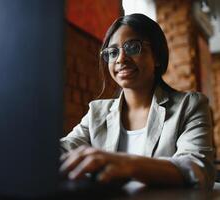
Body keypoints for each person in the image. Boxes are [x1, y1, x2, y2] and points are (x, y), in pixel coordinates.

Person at [59, 13, 215, 189]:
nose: (120, 59)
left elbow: (198, 169)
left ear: (156, 56)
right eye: (112, 52)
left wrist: (127, 164)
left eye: (133, 47)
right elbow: (64, 149)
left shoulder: (189, 106)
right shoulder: (97, 112)